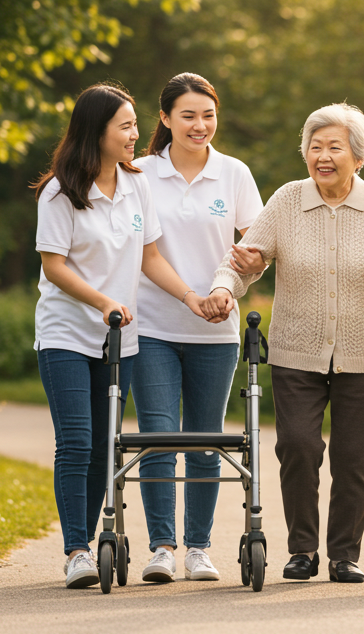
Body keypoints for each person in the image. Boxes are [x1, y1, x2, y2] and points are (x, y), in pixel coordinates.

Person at [208, 103, 364, 584]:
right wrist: (224, 286)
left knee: (353, 458)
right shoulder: (287, 200)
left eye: (335, 146)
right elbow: (247, 259)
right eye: (315, 146)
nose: (323, 155)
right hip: (295, 350)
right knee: (298, 446)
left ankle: (344, 554)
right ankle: (302, 549)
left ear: (359, 156)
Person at [32, 82, 219, 589]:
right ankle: (77, 551)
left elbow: (150, 257)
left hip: (121, 340)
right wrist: (104, 302)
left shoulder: (137, 184)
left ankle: (90, 544)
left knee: (102, 446)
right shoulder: (60, 191)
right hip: (68, 333)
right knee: (75, 442)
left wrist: (191, 299)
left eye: (137, 124)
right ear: (98, 131)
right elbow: (53, 266)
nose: (138, 135)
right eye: (127, 126)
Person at [128, 73, 263, 584]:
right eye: (188, 115)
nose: (200, 125)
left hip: (216, 329)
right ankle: (161, 545)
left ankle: (199, 548)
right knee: (159, 436)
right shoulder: (138, 173)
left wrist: (231, 287)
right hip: (155, 326)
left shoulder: (233, 174)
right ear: (164, 118)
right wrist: (189, 295)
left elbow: (256, 248)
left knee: (207, 441)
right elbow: (141, 253)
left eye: (208, 115)